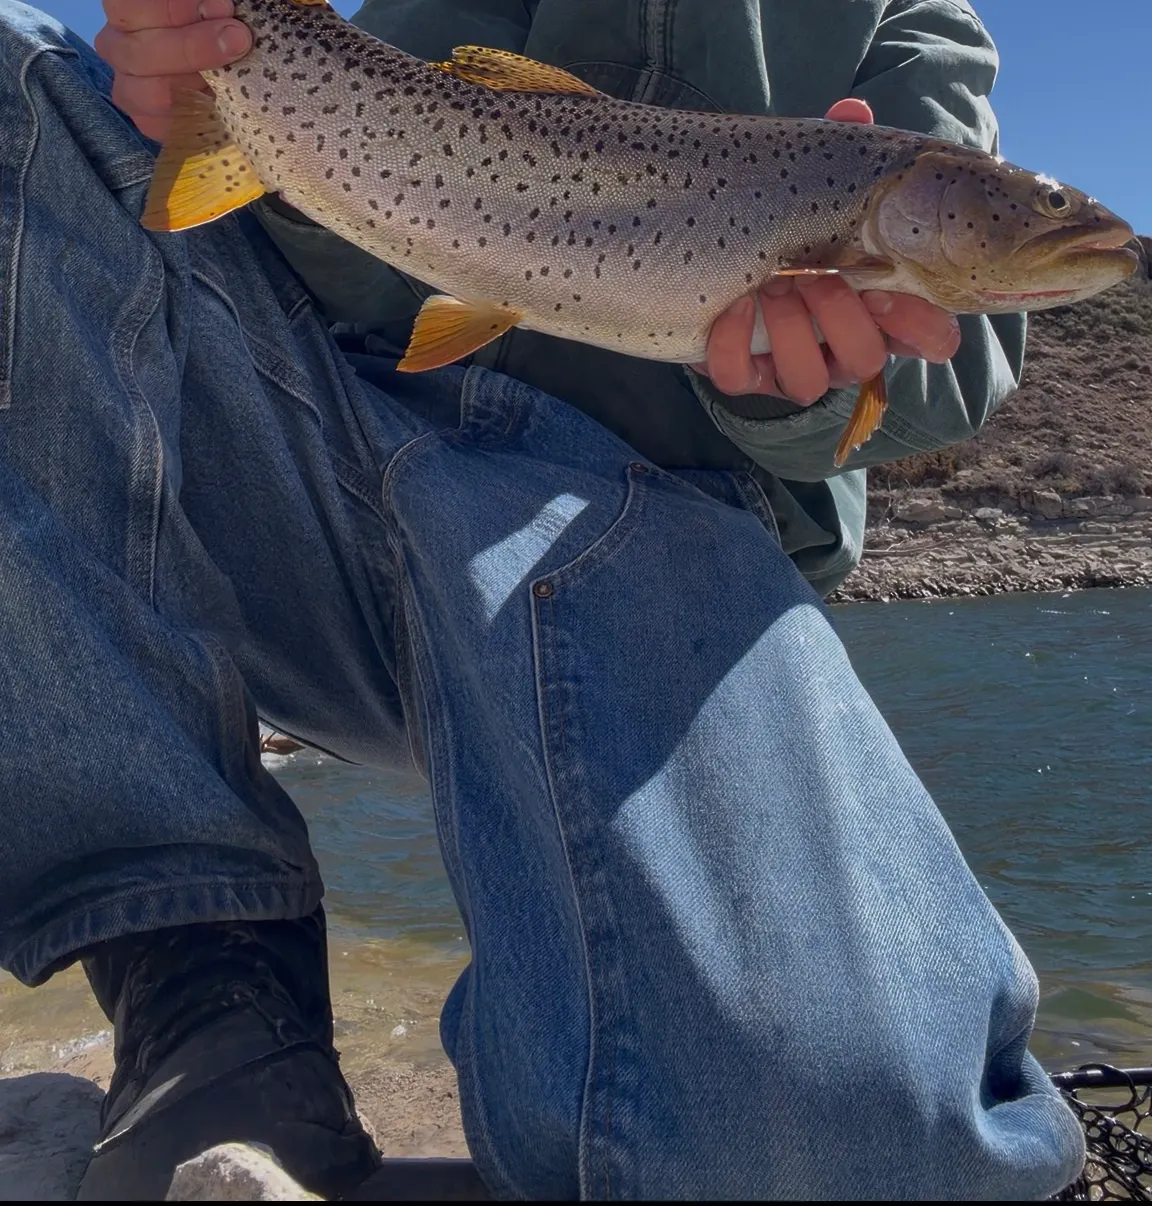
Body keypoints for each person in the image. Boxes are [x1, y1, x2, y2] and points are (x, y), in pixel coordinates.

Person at [0, 0, 1086, 1198]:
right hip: (317, 451)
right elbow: (343, 230)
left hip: (651, 535)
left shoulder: (917, 27)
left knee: (829, 1152)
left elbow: (961, 366)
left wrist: (807, 382)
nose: (1062, 224)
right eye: (1042, 209)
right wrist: (226, 108)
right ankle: (202, 975)